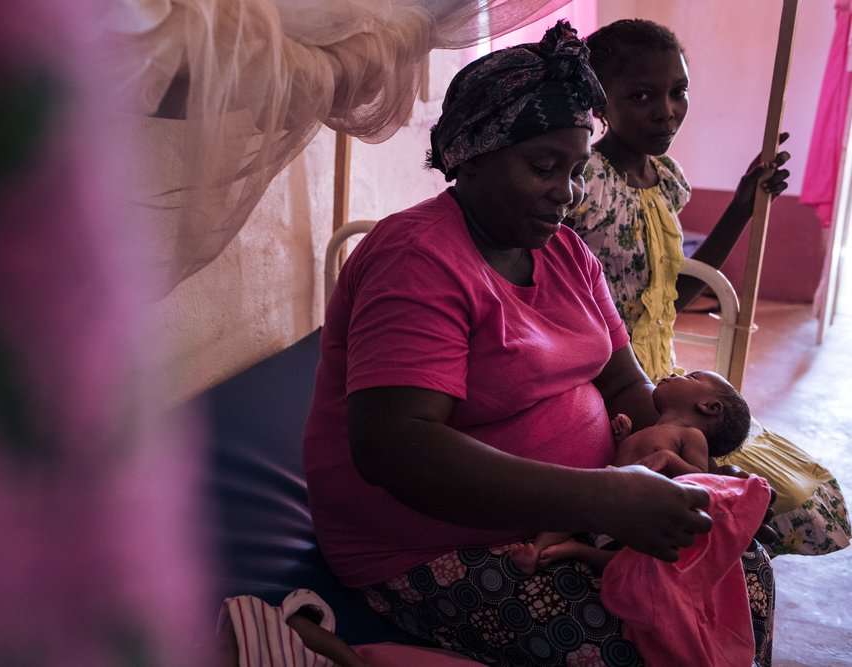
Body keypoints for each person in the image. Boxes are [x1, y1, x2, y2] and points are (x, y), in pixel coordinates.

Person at [303, 21, 772, 666]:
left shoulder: (565, 251)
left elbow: (623, 379)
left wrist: (658, 453)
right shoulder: (418, 259)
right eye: (543, 166)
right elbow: (395, 448)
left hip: (569, 507)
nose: (567, 191)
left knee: (741, 569)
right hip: (424, 549)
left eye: (576, 169)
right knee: (639, 644)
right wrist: (601, 496)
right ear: (471, 154)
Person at [567, 18, 790, 664]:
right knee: (736, 513)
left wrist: (744, 203)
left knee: (789, 500)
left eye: (678, 92)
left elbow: (682, 291)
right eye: (641, 95)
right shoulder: (583, 186)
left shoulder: (663, 180)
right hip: (610, 377)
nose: (666, 111)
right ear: (600, 99)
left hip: (660, 368)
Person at [513, 369, 752, 574]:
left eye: (691, 376)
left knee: (633, 561)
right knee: (568, 513)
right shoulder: (653, 430)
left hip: (640, 515)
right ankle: (536, 550)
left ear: (709, 406)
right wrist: (624, 439)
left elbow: (700, 480)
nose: (674, 374)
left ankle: (577, 550)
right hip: (606, 497)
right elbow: (625, 465)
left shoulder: (690, 435)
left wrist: (668, 458)